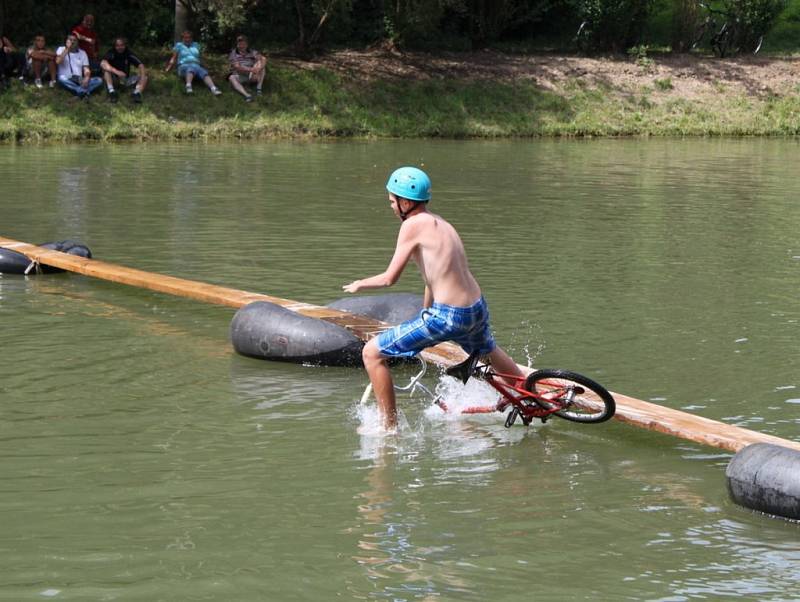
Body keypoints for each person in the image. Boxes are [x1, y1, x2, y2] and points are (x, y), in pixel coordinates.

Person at [343, 167, 525, 430]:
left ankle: (388, 428)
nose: (392, 207)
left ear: (406, 203)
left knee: (371, 353)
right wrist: (424, 312)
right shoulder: (442, 225)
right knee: (488, 351)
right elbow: (433, 278)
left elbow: (389, 278)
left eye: (393, 202)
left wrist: (361, 283)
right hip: (475, 307)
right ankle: (529, 396)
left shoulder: (411, 226)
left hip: (450, 315)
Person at [165, 30, 221, 96]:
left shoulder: (196, 45)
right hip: (183, 66)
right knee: (191, 68)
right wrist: (168, 68)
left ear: (192, 38)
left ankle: (213, 88)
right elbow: (173, 58)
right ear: (182, 38)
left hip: (196, 66)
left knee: (204, 72)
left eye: (189, 37)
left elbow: (200, 58)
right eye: (185, 37)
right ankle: (188, 86)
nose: (187, 39)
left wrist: (207, 67)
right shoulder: (179, 45)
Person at [55, 33, 102, 98]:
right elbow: (58, 61)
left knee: (99, 80)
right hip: (66, 79)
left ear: (77, 42)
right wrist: (67, 49)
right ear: (66, 41)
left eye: (74, 40)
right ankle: (83, 91)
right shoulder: (61, 49)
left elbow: (86, 68)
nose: (72, 42)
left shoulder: (82, 53)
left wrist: (87, 77)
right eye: (70, 40)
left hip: (79, 79)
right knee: (61, 78)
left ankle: (79, 91)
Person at [100, 37, 147, 103]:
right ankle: (112, 92)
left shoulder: (128, 53)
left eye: (122, 45)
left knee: (144, 77)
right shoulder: (111, 52)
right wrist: (116, 71)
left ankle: (136, 94)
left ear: (125, 45)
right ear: (115, 46)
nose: (120, 47)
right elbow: (102, 63)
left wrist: (142, 77)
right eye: (118, 45)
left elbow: (141, 65)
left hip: (125, 80)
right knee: (106, 71)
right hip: (114, 79)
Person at [227, 34, 266, 102]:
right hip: (240, 75)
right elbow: (237, 67)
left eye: (244, 44)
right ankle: (247, 95)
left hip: (253, 75)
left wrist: (258, 68)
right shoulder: (233, 54)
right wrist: (251, 70)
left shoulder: (252, 51)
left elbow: (263, 58)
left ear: (247, 45)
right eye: (240, 44)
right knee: (231, 77)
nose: (242, 46)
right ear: (237, 45)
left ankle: (258, 89)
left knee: (261, 64)